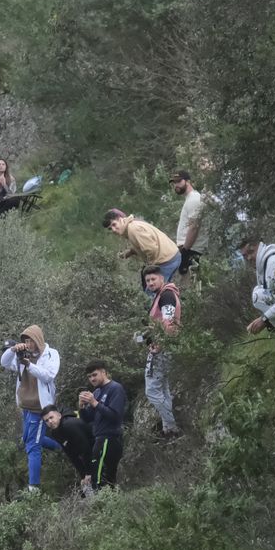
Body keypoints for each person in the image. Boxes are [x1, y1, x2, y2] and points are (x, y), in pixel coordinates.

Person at [0, 325, 62, 491]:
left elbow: (48, 376)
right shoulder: (21, 356)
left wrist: (29, 365)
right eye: (25, 341)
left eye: (31, 340)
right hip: (26, 405)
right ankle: (62, 448)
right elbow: (4, 362)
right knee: (29, 439)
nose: (28, 344)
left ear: (38, 340)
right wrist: (13, 350)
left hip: (40, 408)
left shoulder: (51, 354)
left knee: (32, 446)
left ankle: (34, 487)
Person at [142, 265, 182, 438]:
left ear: (162, 279)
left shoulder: (166, 295)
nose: (150, 283)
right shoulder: (162, 295)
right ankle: (168, 429)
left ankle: (172, 427)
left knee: (152, 390)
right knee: (163, 388)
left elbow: (168, 321)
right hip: (166, 346)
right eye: (148, 280)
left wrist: (160, 343)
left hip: (163, 348)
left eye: (153, 279)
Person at [79, 360, 127, 489]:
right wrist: (82, 406)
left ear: (104, 372)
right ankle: (108, 505)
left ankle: (104, 505)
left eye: (94, 375)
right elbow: (88, 419)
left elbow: (116, 416)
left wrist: (95, 403)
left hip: (110, 438)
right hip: (99, 438)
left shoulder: (115, 388)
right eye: (89, 377)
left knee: (101, 479)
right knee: (100, 477)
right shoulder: (96, 392)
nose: (92, 379)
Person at [104, 210, 182, 287]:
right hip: (171, 256)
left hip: (166, 260)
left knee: (152, 292)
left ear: (120, 219)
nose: (113, 230)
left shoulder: (133, 229)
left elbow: (151, 249)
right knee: (161, 290)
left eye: (114, 224)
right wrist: (131, 252)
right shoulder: (130, 226)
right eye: (110, 229)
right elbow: (143, 244)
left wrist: (150, 268)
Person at [236, 233, 275, 335]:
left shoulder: (274, 263)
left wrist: (264, 320)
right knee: (258, 292)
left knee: (257, 296)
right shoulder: (264, 266)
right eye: (245, 256)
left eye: (251, 252)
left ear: (260, 246)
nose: (249, 258)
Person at [43, 405, 96, 495]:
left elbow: (85, 448)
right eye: (47, 420)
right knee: (86, 488)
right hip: (88, 452)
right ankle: (91, 497)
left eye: (51, 417)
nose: (50, 422)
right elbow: (71, 455)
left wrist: (88, 473)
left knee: (96, 481)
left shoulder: (69, 425)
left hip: (98, 446)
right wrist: (83, 475)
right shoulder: (55, 432)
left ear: (59, 415)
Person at [171, 169, 207, 275]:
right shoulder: (190, 199)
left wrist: (185, 251)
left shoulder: (194, 199)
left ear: (187, 181)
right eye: (174, 183)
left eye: (178, 181)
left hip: (193, 250)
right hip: (190, 249)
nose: (176, 185)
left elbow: (194, 227)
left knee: (193, 285)